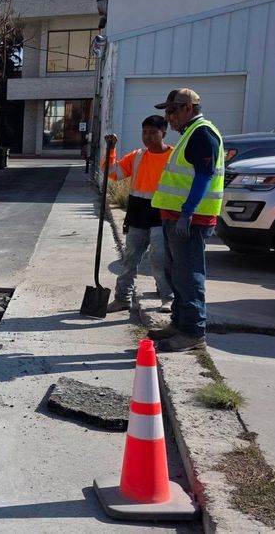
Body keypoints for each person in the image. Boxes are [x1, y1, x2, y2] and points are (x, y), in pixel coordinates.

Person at [149, 89, 224, 352]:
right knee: (177, 274)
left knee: (189, 276)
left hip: (191, 220)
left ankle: (193, 333)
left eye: (172, 111)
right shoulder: (190, 134)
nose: (168, 118)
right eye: (167, 112)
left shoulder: (202, 134)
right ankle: (179, 324)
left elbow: (204, 176)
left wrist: (188, 212)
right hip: (176, 218)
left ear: (188, 108)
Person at [103, 115, 175, 315]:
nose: (148, 136)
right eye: (145, 132)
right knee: (130, 259)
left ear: (164, 134)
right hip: (138, 214)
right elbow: (113, 173)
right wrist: (111, 150)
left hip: (162, 215)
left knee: (159, 259)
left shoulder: (174, 157)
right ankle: (122, 298)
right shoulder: (137, 156)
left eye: (153, 132)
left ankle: (167, 297)